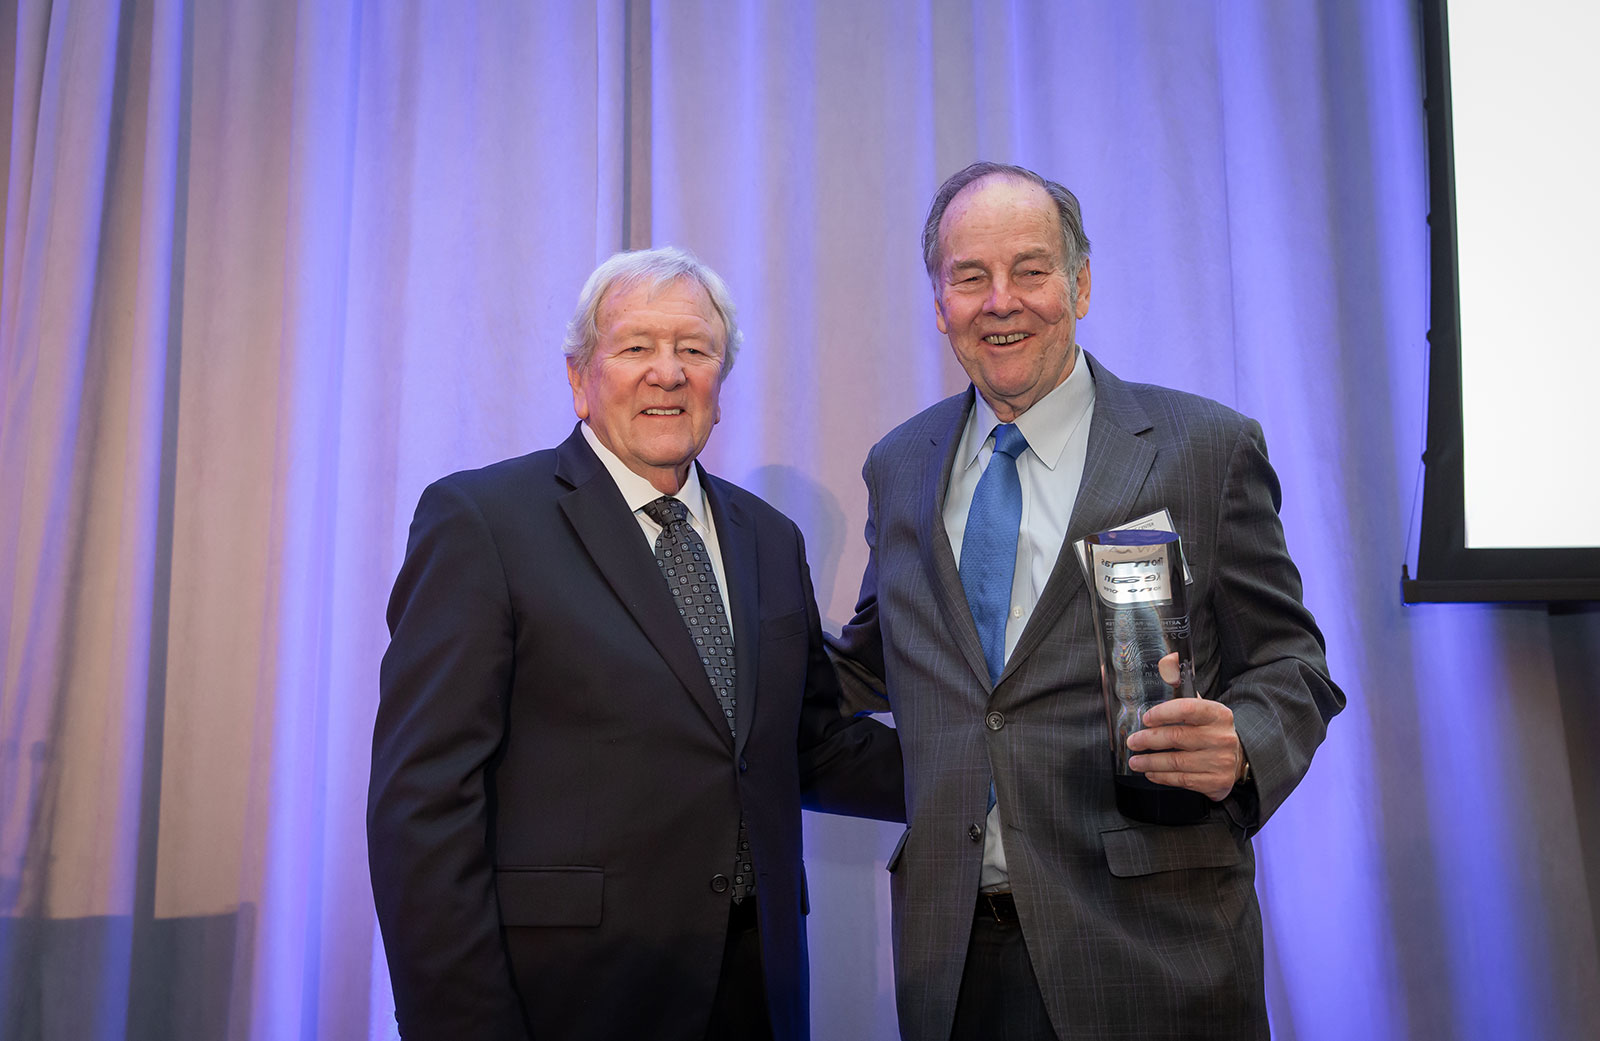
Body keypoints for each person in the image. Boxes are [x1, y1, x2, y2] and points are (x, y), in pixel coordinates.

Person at [827, 161, 1344, 1040]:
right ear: (939, 299)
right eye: (969, 277)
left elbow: (1293, 665)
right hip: (953, 960)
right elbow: (885, 658)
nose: (1001, 301)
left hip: (1154, 950)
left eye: (1030, 270)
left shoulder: (1203, 448)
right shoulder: (900, 463)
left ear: (1081, 283)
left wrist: (1244, 746)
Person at [368, 247, 904, 1041]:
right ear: (580, 378)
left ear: (720, 384)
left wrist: (1001, 767)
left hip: (759, 991)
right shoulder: (482, 522)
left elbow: (807, 746)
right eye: (636, 347)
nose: (668, 372)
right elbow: (422, 805)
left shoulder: (768, 538)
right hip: (566, 1001)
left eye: (695, 349)